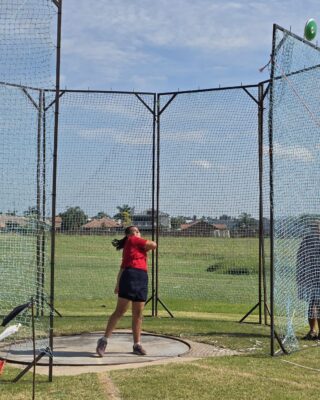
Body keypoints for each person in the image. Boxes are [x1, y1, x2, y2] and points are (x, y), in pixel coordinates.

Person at [96, 226, 157, 356]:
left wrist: (117, 283)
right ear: (130, 235)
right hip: (130, 277)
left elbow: (122, 268)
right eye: (135, 231)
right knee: (120, 311)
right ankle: (103, 340)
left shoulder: (134, 247)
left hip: (141, 277)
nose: (137, 233)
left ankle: (137, 345)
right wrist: (119, 284)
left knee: (138, 313)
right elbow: (154, 244)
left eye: (138, 231)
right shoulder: (133, 240)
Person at [296, 219, 320, 340]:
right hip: (311, 277)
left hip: (315, 277)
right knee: (313, 304)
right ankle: (312, 331)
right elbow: (301, 257)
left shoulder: (309, 240)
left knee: (316, 304)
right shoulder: (307, 240)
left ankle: (315, 332)